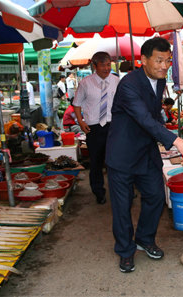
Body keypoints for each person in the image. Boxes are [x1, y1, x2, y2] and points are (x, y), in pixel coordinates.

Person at [105, 37, 183, 274]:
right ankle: (125, 252)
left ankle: (144, 238)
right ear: (143, 60)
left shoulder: (160, 79)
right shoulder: (128, 85)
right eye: (159, 60)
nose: (164, 65)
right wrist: (175, 141)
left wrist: (169, 136)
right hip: (123, 155)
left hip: (146, 153)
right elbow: (143, 118)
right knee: (123, 207)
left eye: (167, 60)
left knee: (156, 197)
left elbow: (153, 116)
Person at [72, 52, 120, 204]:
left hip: (113, 126)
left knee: (116, 160)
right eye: (103, 65)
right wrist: (81, 121)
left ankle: (121, 191)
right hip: (93, 127)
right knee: (96, 162)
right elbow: (77, 104)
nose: (106, 68)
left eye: (108, 65)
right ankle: (99, 192)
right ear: (95, 66)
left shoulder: (116, 81)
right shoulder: (85, 83)